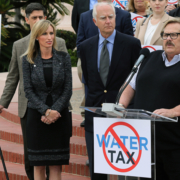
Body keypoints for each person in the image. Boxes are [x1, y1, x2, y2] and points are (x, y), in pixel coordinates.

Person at [0, 3, 68, 180]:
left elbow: (66, 81)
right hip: (30, 109)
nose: (39, 20)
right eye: (35, 18)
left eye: (41, 17)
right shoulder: (19, 46)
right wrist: (2, 103)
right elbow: (13, 77)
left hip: (58, 109)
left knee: (55, 161)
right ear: (27, 20)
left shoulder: (59, 43)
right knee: (33, 160)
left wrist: (55, 109)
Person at [80, 2, 141, 180]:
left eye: (111, 17)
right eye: (103, 18)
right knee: (97, 171)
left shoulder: (131, 44)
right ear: (94, 21)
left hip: (123, 116)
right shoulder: (86, 47)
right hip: (95, 116)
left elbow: (136, 80)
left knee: (126, 171)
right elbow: (90, 81)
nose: (108, 21)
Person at [119, 19, 180, 180]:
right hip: (145, 142)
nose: (168, 39)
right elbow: (131, 85)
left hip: (174, 145)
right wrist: (120, 105)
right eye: (165, 35)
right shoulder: (149, 58)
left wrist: (174, 111)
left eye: (174, 35)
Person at [22, 19, 72, 180]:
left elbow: (68, 89)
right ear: (36, 36)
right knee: (38, 167)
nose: (49, 37)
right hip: (37, 117)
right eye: (44, 34)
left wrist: (55, 110)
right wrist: (46, 111)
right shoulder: (27, 60)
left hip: (60, 116)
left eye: (51, 33)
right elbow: (28, 90)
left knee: (56, 166)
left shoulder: (63, 58)